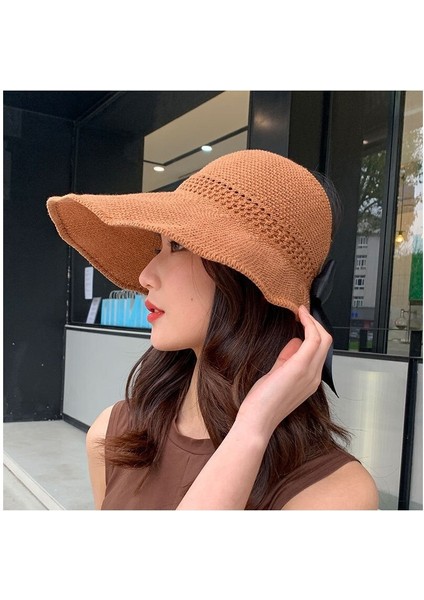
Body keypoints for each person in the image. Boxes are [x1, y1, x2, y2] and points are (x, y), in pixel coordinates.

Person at [47, 149, 378, 510]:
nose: (145, 276)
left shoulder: (333, 495)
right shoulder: (113, 434)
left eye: (177, 245)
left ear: (244, 277)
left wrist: (253, 427)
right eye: (158, 247)